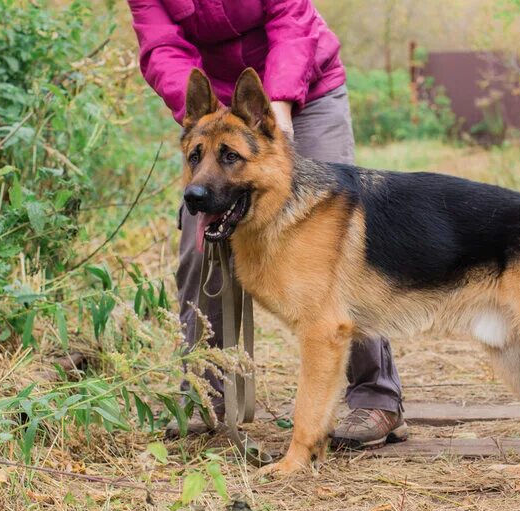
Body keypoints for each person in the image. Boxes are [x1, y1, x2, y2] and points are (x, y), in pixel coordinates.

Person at [127, 0, 407, 448]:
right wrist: (202, 114)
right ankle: (206, 394)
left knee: (335, 235)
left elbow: (291, 20)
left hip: (303, 91)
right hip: (218, 111)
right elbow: (162, 47)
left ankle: (376, 396)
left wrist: (277, 110)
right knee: (199, 248)